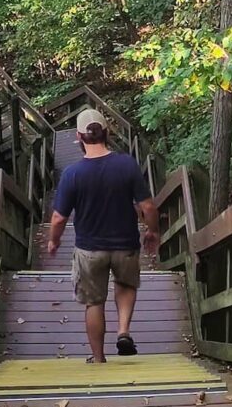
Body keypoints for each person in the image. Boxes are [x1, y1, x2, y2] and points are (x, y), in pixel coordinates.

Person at [47, 108, 160, 362]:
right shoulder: (127, 165)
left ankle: (98, 359)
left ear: (78, 137)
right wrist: (152, 231)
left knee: (94, 303)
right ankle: (123, 331)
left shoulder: (72, 174)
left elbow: (58, 218)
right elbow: (148, 207)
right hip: (126, 245)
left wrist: (54, 240)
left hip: (89, 250)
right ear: (107, 132)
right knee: (126, 284)